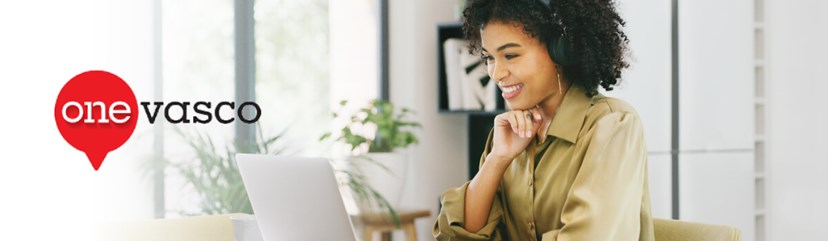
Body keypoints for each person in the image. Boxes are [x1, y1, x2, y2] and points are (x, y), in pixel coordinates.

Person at [433, 0, 654, 240]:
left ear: (560, 50)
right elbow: (458, 235)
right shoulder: (507, 137)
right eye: (489, 58)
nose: (496, 74)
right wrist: (497, 159)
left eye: (510, 55)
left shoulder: (612, 125)